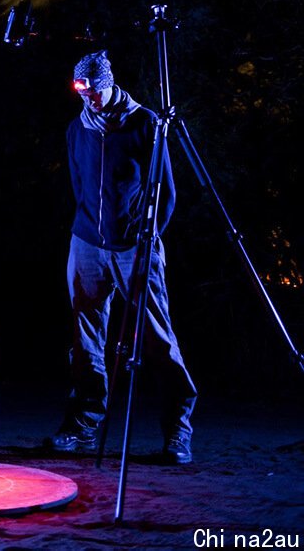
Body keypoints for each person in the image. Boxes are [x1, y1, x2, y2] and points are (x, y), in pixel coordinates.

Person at [53, 50, 197, 465]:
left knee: (155, 338)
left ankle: (177, 431)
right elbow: (79, 185)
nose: (89, 98)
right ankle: (83, 424)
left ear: (109, 83)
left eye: (94, 89)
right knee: (85, 340)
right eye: (81, 90)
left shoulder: (145, 124)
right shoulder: (76, 129)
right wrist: (87, 231)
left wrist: (145, 235)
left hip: (135, 246)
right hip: (86, 245)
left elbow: (166, 193)